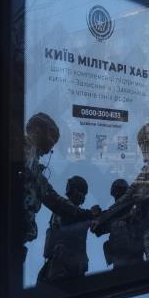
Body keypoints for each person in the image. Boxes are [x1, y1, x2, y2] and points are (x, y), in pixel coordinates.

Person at [23, 112, 99, 261]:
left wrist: (86, 214)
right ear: (39, 131)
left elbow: (52, 198)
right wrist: (87, 214)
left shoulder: (30, 160)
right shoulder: (27, 154)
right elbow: (53, 199)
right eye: (51, 138)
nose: (51, 146)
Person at [91, 123, 149, 265]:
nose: (144, 151)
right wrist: (102, 218)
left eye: (145, 145)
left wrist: (102, 219)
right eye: (142, 146)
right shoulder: (146, 174)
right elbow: (125, 201)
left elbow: (127, 201)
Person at [37, 175, 92, 284]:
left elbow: (53, 198)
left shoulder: (75, 212)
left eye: (71, 187)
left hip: (66, 269)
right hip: (57, 266)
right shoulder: (69, 211)